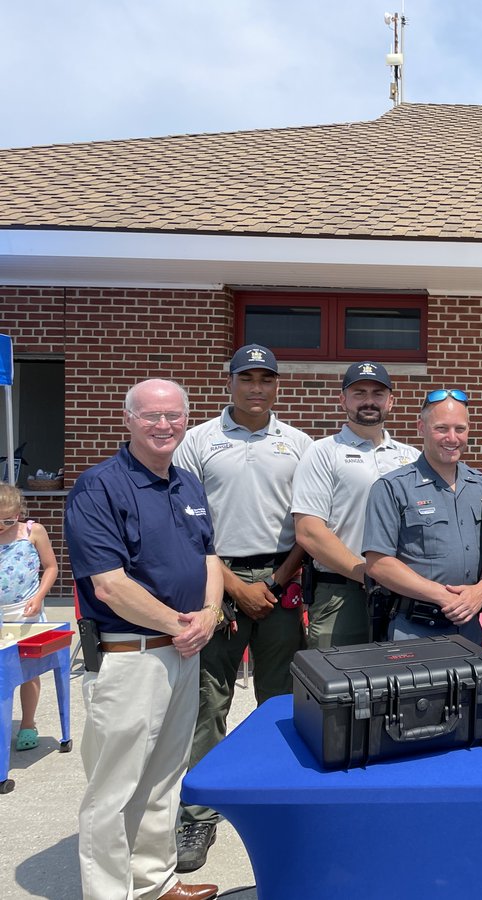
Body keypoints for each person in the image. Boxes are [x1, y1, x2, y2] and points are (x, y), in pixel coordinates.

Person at [65, 378, 222, 900]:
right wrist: (184, 624)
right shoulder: (98, 486)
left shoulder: (188, 483)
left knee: (162, 779)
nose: (163, 425)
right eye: (151, 416)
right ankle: (109, 893)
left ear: (186, 419)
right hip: (127, 657)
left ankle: (154, 883)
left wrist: (212, 612)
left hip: (182, 653)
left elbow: (209, 559)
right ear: (128, 419)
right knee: (113, 791)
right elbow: (110, 586)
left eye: (174, 415)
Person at [173, 344, 312, 873]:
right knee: (209, 701)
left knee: (280, 700)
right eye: (246, 377)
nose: (257, 387)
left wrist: (274, 582)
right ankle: (201, 813)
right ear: (228, 380)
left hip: (282, 580)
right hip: (215, 579)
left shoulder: (298, 444)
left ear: (278, 384)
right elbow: (186, 525)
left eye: (266, 379)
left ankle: (276, 795)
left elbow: (309, 522)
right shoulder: (197, 441)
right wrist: (232, 586)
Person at [292, 362, 418, 648]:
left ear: (391, 401)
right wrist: (366, 573)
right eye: (359, 393)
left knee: (399, 684)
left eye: (378, 393)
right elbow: (309, 530)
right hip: (341, 594)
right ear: (343, 400)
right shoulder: (322, 453)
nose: (369, 401)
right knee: (338, 684)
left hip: (404, 594)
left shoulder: (411, 457)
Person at [362, 388, 482, 643]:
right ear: (421, 428)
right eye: (441, 428)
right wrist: (443, 596)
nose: (452, 438)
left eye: (460, 429)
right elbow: (378, 563)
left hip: (470, 629)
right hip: (414, 630)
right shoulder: (393, 487)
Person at [0, 482, 58, 752]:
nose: (3, 525)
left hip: (26, 614)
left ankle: (27, 723)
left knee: (28, 672)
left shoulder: (32, 531)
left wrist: (39, 597)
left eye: (8, 519)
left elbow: (50, 567)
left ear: (19, 512)